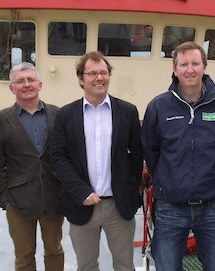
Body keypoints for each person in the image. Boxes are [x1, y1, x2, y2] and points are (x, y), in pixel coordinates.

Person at [141, 41, 215, 271]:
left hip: (212, 205)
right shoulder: (158, 107)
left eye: (195, 63)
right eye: (183, 64)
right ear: (175, 69)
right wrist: (167, 180)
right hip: (170, 207)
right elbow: (151, 150)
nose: (189, 69)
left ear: (204, 66)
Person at [50, 51, 143, 271]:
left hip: (118, 206)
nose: (99, 78)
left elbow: (137, 155)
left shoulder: (127, 112)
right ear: (81, 79)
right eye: (92, 73)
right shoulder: (65, 115)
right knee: (87, 266)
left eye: (103, 72)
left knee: (124, 265)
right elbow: (58, 156)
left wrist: (130, 190)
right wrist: (80, 191)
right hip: (81, 204)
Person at [0, 62, 64, 271]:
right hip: (18, 201)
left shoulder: (57, 114)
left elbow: (65, 156)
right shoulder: (2, 120)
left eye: (31, 80)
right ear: (12, 88)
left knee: (55, 250)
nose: (26, 84)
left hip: (53, 197)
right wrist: (4, 200)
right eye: (20, 81)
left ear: (40, 84)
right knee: (24, 256)